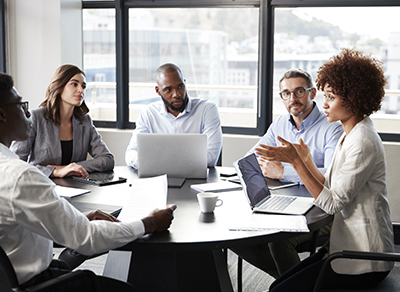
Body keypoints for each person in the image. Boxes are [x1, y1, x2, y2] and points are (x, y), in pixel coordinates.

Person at [0, 72, 176, 291]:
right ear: (2, 114)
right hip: (33, 283)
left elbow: (17, 220)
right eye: (20, 104)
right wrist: (150, 223)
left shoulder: (82, 122)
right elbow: (87, 237)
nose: (26, 110)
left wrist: (75, 217)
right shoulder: (20, 176)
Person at [259, 48, 394, 291]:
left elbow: (331, 204)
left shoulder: (363, 141)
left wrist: (297, 164)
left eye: (331, 97)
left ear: (353, 98)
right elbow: (330, 184)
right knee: (280, 284)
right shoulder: (350, 133)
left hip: (364, 259)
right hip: (343, 248)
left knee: (278, 290)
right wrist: (307, 159)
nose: (325, 104)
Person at [231, 68, 343, 278]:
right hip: (286, 203)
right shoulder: (281, 123)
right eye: (286, 93)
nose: (293, 98)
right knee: (234, 234)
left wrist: (284, 172)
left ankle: (292, 283)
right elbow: (253, 156)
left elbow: (330, 176)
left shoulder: (332, 127)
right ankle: (290, 281)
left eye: (299, 91)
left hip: (323, 211)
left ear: (312, 93)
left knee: (280, 241)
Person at [11, 64, 114, 178]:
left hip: (77, 189)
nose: (81, 90)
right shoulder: (35, 117)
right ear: (59, 87)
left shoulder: (85, 121)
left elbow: (107, 159)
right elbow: (15, 164)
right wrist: (54, 171)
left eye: (83, 86)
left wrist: (71, 167)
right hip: (41, 187)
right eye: (74, 84)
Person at [125, 63, 222, 168]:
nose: (176, 94)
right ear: (158, 91)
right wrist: (147, 163)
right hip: (159, 178)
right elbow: (131, 153)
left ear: (184, 83)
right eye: (168, 90)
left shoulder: (207, 109)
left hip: (196, 180)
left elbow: (211, 157)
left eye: (180, 87)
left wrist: (157, 163)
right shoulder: (149, 113)